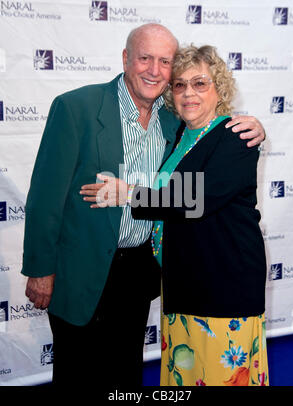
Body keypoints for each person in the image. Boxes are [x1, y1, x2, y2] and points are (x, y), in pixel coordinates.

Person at [22, 23, 265, 388]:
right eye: (145, 58)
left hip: (143, 273)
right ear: (126, 58)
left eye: (165, 61)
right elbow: (45, 196)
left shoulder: (178, 122)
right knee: (77, 372)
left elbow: (198, 193)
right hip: (83, 269)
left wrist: (255, 124)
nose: (155, 70)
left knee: (125, 373)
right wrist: (40, 269)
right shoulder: (77, 108)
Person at [83, 45, 268, 386]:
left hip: (223, 283)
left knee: (221, 374)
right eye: (180, 85)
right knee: (187, 375)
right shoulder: (180, 134)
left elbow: (197, 199)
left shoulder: (235, 135)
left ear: (219, 88)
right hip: (182, 281)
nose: (188, 93)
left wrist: (128, 194)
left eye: (200, 83)